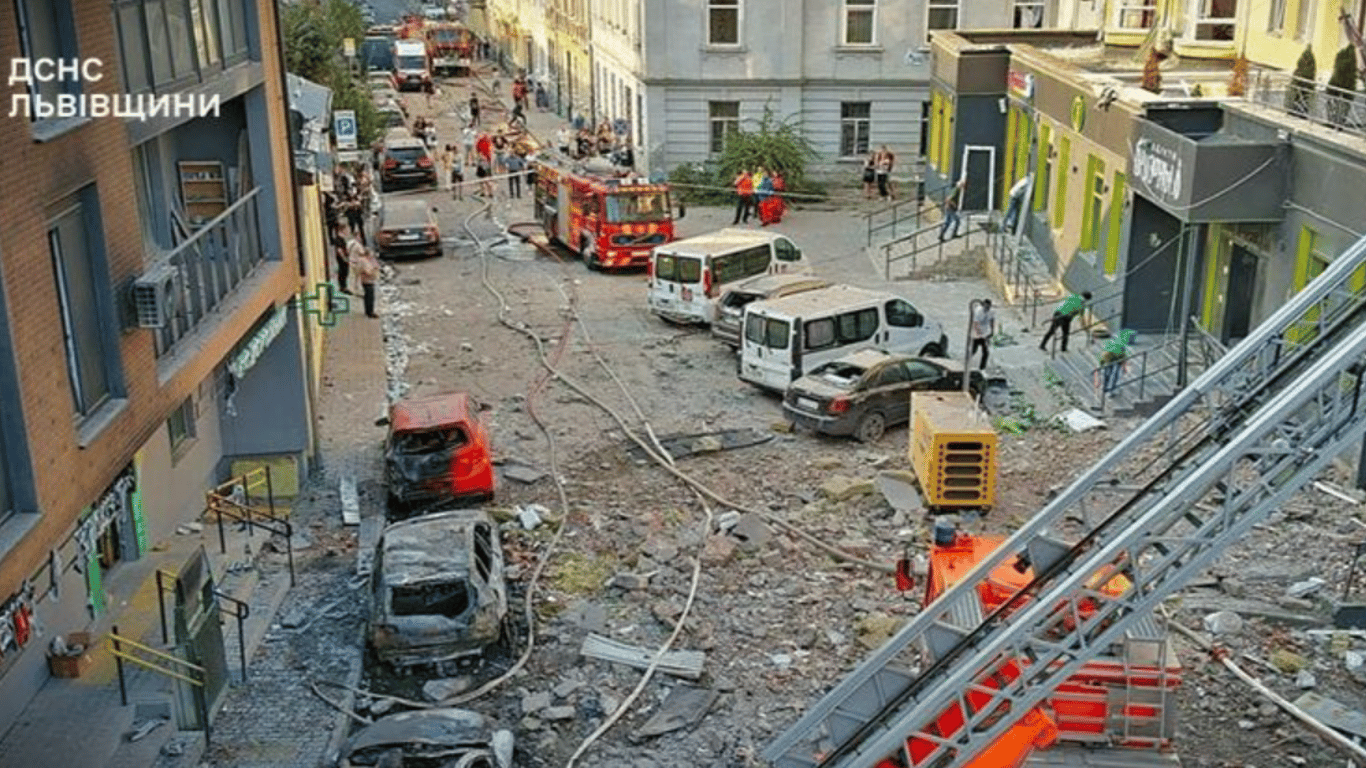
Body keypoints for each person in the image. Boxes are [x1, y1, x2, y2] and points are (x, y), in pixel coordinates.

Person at [348, 234, 380, 318]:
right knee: (370, 296)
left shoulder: (366, 260)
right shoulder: (363, 261)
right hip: (367, 281)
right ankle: (370, 312)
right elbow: (367, 271)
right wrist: (374, 270)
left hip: (368, 280)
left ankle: (368, 311)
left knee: (368, 296)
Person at [1096, 330, 1136, 395]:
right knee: (1108, 374)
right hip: (1109, 360)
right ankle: (1107, 387)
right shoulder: (1110, 349)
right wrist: (1102, 364)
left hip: (1116, 360)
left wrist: (1123, 366)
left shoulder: (1120, 347)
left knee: (1114, 374)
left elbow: (1123, 357)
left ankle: (1110, 388)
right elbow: (1104, 357)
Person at [970, 299, 996, 370]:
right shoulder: (978, 311)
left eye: (989, 307)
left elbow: (992, 320)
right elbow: (975, 323)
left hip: (985, 333)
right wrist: (979, 334)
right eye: (986, 306)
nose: (987, 308)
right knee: (973, 350)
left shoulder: (992, 312)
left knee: (986, 352)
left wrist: (992, 331)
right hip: (976, 333)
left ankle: (982, 368)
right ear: (983, 306)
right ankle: (967, 362)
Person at [330, 223, 351, 295]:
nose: (348, 231)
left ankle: (343, 286)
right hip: (342, 259)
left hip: (342, 258)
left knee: (344, 272)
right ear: (342, 230)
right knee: (343, 272)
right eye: (346, 229)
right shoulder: (339, 239)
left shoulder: (340, 238)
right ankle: (343, 287)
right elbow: (339, 250)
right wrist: (344, 258)